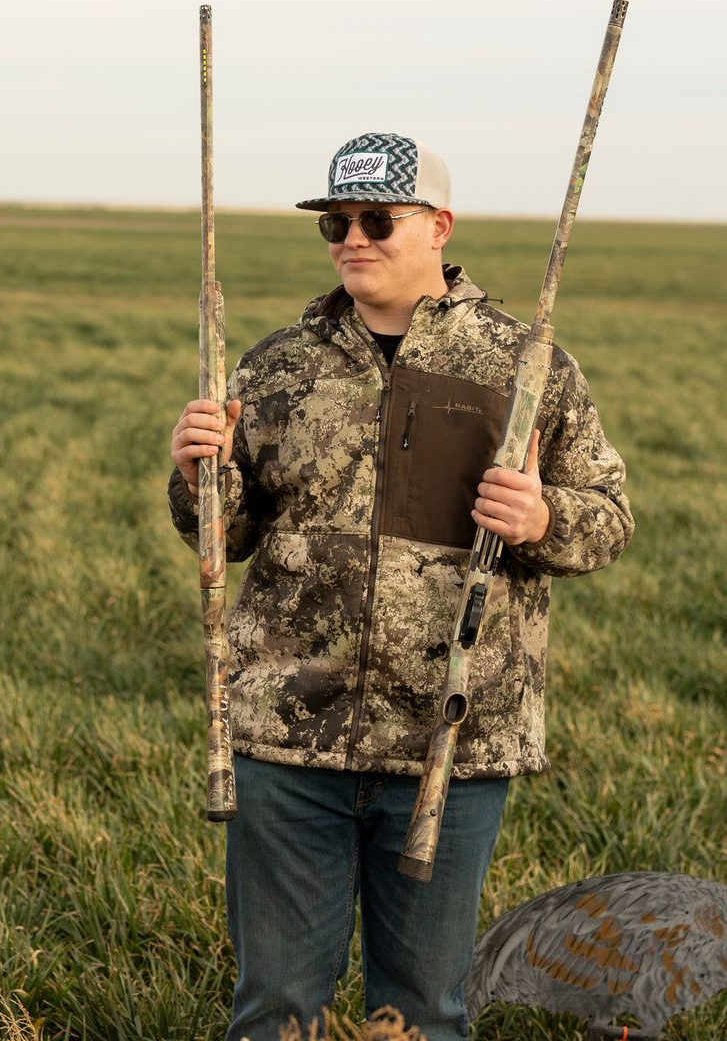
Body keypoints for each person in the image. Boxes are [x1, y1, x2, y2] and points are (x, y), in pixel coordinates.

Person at [168, 132, 634, 1041]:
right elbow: (222, 540)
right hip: (284, 740)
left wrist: (541, 520)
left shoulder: (525, 367)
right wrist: (197, 477)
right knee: (272, 1009)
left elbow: (609, 516)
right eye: (334, 222)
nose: (352, 238)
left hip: (449, 742)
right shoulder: (276, 366)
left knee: (421, 1013)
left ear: (437, 227)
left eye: (376, 219)